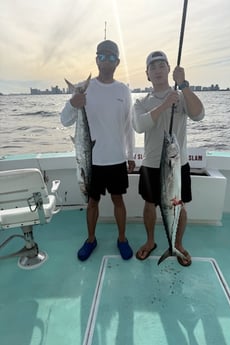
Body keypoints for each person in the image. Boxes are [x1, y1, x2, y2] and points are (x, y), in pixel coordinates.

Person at [61, 40, 136, 261]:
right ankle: (90, 239)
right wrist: (73, 103)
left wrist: (130, 155)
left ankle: (122, 239)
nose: (106, 60)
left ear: (117, 62)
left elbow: (128, 126)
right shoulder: (84, 88)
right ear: (96, 59)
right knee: (92, 202)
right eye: (102, 56)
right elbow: (65, 121)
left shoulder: (123, 90)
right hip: (89, 159)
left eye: (111, 57)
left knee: (118, 199)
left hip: (116, 159)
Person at [133, 51, 205, 265]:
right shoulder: (141, 102)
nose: (157, 70)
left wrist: (183, 85)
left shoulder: (182, 96)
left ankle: (177, 244)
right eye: (152, 67)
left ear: (169, 70)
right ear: (147, 74)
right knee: (149, 205)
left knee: (179, 205)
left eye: (161, 65)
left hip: (177, 165)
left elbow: (199, 115)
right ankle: (150, 241)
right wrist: (165, 105)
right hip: (151, 164)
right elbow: (139, 125)